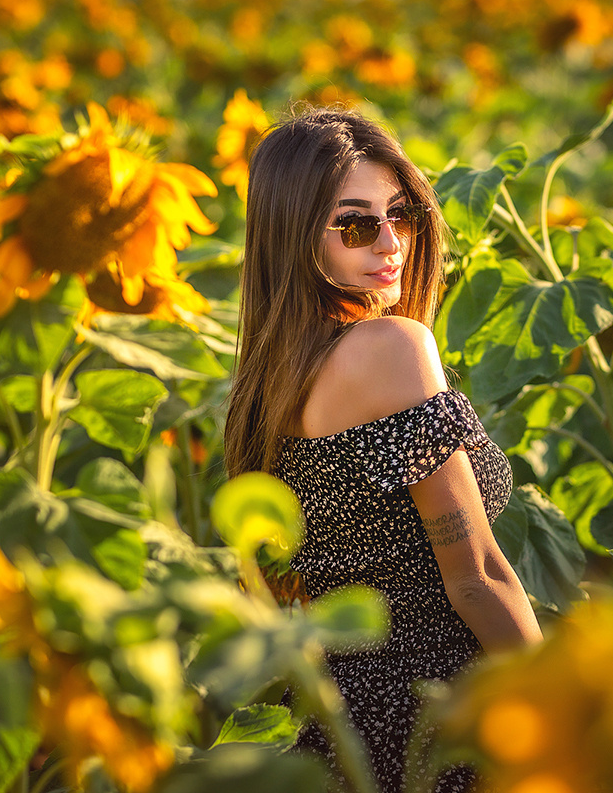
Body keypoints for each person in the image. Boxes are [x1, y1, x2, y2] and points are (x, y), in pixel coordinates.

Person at [223, 105, 543, 793]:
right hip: (445, 717)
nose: (391, 242)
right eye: (357, 224)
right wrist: (565, 724)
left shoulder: (273, 384)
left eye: (402, 214)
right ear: (294, 236)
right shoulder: (394, 348)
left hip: (351, 729)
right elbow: (477, 575)